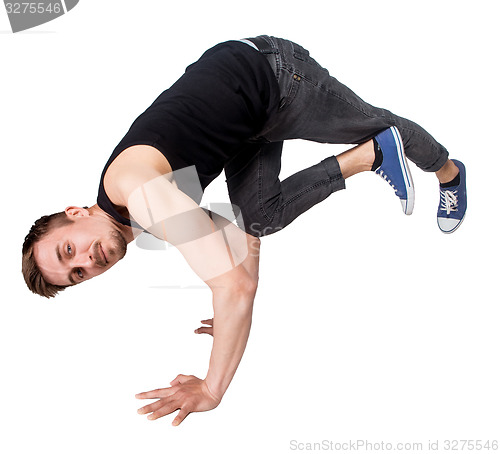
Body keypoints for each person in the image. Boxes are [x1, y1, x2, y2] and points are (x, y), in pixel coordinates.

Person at [21, 35, 467, 426]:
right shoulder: (137, 220)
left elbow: (234, 286)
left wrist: (212, 389)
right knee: (262, 217)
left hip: (274, 79)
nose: (86, 261)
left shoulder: (135, 191)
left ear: (76, 213)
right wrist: (230, 310)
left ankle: (447, 172)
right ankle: (368, 157)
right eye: (77, 273)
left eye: (68, 251)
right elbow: (241, 247)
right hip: (244, 127)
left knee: (380, 124)